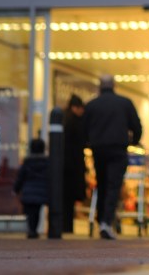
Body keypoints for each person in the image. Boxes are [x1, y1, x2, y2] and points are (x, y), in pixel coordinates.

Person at [83, 74, 142, 240]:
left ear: (99, 86)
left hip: (98, 149)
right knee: (113, 185)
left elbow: (84, 128)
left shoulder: (92, 105)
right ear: (114, 85)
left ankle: (101, 219)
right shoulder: (125, 103)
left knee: (102, 185)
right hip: (118, 149)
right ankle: (106, 222)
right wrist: (133, 142)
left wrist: (89, 143)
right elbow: (136, 126)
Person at [13, 138, 49, 239]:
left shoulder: (27, 162)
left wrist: (16, 189)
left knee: (30, 212)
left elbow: (20, 177)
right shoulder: (46, 162)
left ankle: (31, 230)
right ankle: (33, 230)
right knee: (36, 212)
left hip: (28, 191)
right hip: (41, 191)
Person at [61, 94, 87, 234]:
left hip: (64, 166)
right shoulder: (75, 122)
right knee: (68, 199)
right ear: (75, 108)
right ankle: (67, 227)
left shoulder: (64, 119)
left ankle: (64, 227)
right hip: (72, 166)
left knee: (64, 198)